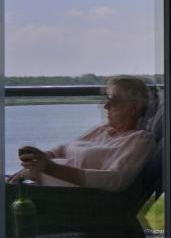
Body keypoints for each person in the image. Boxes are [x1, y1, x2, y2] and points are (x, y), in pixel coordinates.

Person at [7, 75, 155, 192]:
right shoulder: (102, 130)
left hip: (65, 200)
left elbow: (116, 180)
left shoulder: (139, 140)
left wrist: (50, 168)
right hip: (35, 183)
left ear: (133, 108)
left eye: (112, 100)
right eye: (106, 99)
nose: (106, 106)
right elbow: (64, 149)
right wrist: (38, 159)